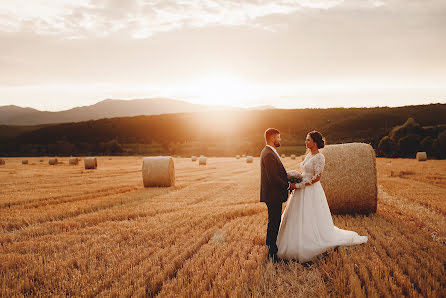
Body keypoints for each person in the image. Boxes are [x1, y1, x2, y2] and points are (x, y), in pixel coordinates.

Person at [276, 131, 368, 263]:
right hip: (301, 188)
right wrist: (295, 177)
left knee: (309, 216)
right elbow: (305, 173)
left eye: (308, 140)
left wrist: (298, 185)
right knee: (296, 216)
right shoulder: (308, 155)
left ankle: (308, 242)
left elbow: (316, 178)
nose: (306, 142)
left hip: (310, 190)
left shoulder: (320, 157)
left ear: (315, 142)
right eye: (306, 140)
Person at [260, 128, 296, 263]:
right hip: (273, 195)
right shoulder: (268, 153)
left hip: (272, 194)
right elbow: (273, 177)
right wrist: (288, 185)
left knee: (274, 221)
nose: (280, 140)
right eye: (278, 137)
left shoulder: (269, 152)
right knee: (274, 222)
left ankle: (271, 248)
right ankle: (272, 253)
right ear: (272, 138)